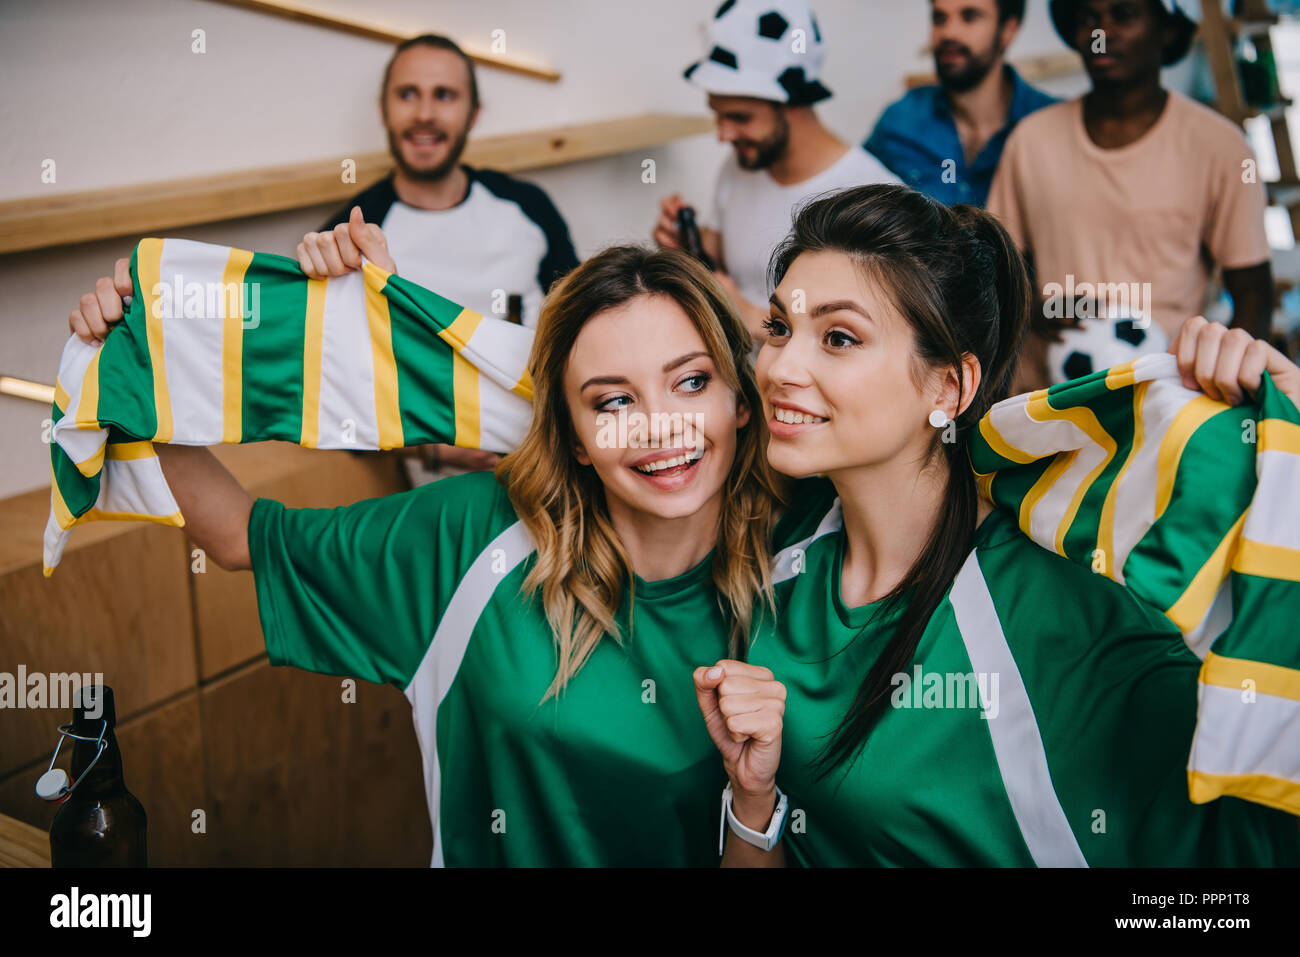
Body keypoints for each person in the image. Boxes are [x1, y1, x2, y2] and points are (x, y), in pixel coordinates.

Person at [68, 228, 784, 867]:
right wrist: (127, 358)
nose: (658, 427)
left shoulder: (806, 566)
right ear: (572, 435)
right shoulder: (473, 538)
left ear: (740, 401)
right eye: (612, 401)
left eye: (691, 382)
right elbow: (236, 533)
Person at [693, 183, 1300, 866]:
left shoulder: (1062, 608)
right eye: (779, 327)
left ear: (948, 388)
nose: (780, 366)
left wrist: (1286, 429)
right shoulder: (779, 559)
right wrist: (752, 797)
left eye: (839, 337)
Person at [311, 33, 580, 482]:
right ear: (383, 109)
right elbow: (331, 392)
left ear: (473, 114)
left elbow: (581, 328)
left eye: (445, 95)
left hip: (556, 463)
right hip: (438, 497)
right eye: (407, 95)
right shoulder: (350, 237)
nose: (424, 115)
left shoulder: (528, 207)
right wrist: (434, 450)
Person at [988, 0, 1273, 390]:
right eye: (1088, 18)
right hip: (1047, 402)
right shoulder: (1030, 141)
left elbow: (1253, 290)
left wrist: (1224, 388)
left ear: (1168, 30)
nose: (1101, 34)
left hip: (1166, 401)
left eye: (1123, 15)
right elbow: (998, 271)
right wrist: (1034, 311)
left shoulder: (1221, 147)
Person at [654, 0, 899, 343]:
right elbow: (734, 259)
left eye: (740, 117)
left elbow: (880, 338)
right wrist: (687, 249)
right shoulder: (738, 167)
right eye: (718, 115)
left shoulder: (874, 198)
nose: (723, 135)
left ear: (794, 103)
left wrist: (753, 316)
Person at [864, 0, 1055, 207]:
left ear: (1008, 30)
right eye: (940, 18)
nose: (948, 33)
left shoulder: (1052, 126)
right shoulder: (900, 121)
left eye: (969, 16)